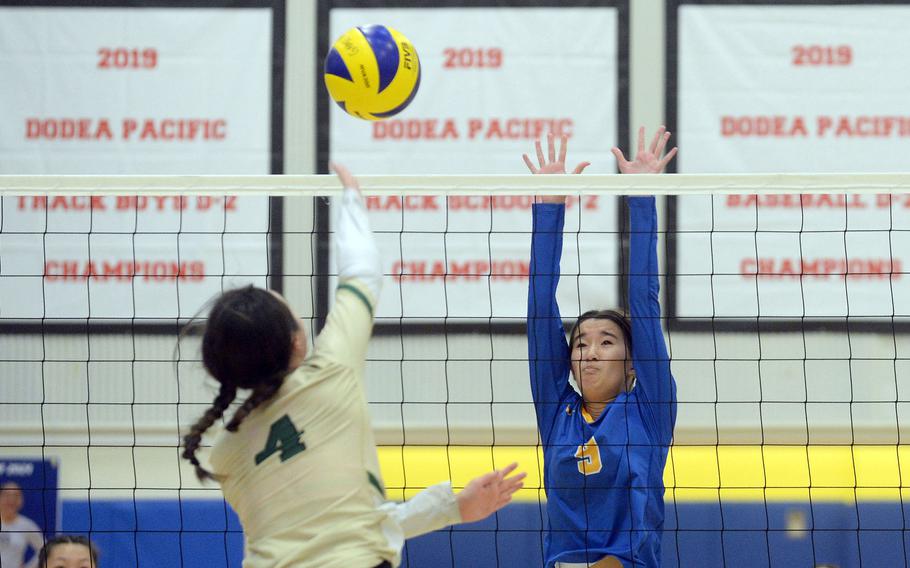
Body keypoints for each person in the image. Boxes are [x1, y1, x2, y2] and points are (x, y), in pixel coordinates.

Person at [181, 163, 526, 568]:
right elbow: (362, 270)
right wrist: (351, 198)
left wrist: (451, 508)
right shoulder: (329, 372)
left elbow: (333, 531)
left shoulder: (225, 453)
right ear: (296, 341)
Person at [524, 128, 678, 567]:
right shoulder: (558, 413)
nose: (589, 351)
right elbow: (539, 308)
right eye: (581, 343)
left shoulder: (649, 410)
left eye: (606, 342)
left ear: (633, 364)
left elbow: (644, 305)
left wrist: (640, 198)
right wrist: (550, 208)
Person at [0, 481, 45, 568]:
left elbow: (45, 549)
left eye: (16, 496)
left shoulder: (26, 525)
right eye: (7, 495)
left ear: (21, 500)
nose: (11, 500)